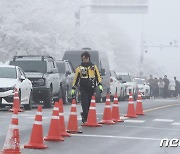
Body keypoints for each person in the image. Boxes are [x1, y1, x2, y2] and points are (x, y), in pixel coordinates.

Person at [71, 51, 103, 123]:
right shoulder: (79, 68)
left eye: (86, 58)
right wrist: (73, 88)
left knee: (89, 103)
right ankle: (85, 116)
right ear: (82, 59)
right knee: (84, 103)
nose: (85, 59)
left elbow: (98, 76)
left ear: (89, 58)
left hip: (91, 87)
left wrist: (100, 85)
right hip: (83, 88)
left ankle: (87, 115)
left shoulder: (93, 67)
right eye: (84, 58)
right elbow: (76, 78)